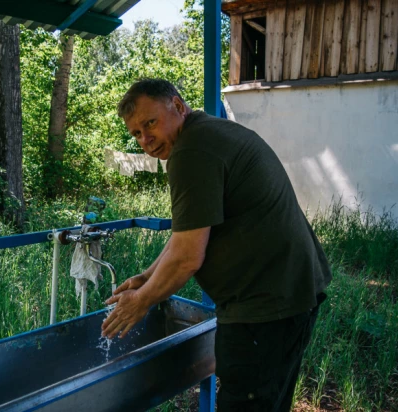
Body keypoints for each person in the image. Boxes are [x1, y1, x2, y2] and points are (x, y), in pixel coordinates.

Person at [101, 79, 332, 411]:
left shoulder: (191, 151)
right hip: (290, 292)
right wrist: (146, 277)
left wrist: (140, 301)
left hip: (264, 307)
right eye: (136, 133)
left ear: (178, 106)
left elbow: (186, 259)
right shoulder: (207, 133)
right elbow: (187, 234)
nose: (145, 140)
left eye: (150, 123)